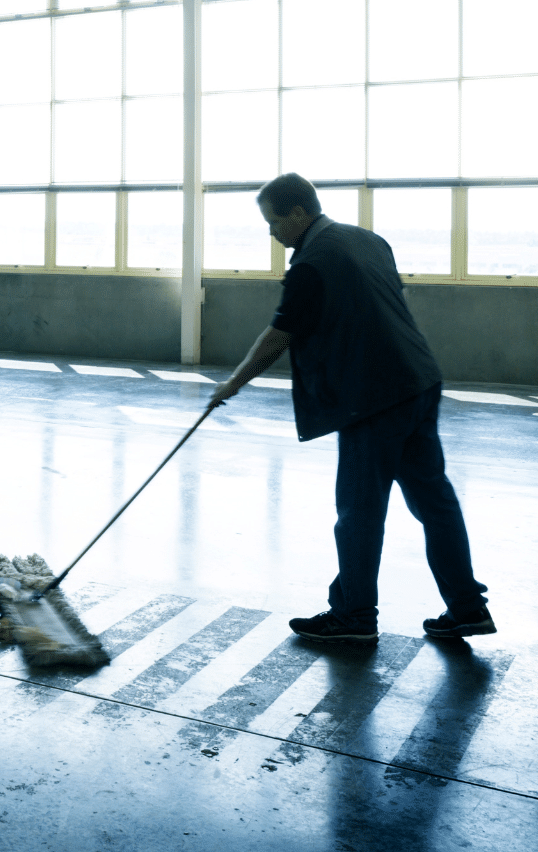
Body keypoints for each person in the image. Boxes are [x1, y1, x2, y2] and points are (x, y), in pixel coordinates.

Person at [210, 173, 495, 645]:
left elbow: (279, 337)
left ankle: (354, 616)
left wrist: (232, 384)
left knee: (359, 511)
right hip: (419, 381)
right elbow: (391, 302)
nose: (272, 232)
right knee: (435, 502)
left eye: (274, 222)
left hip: (373, 398)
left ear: (298, 213)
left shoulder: (312, 263)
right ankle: (468, 608)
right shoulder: (369, 240)